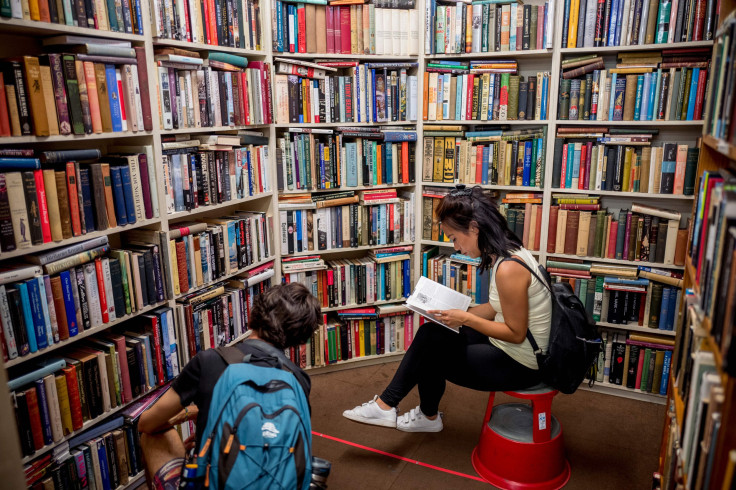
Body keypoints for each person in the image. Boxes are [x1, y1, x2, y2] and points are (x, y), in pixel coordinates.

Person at [343, 184, 553, 432]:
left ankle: (396, 408)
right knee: (431, 334)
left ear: (474, 228)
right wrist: (453, 316)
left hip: (522, 365)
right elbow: (497, 308)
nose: (455, 247)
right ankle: (412, 413)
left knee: (430, 354)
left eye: (454, 238)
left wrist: (465, 317)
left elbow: (515, 333)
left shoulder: (508, 268)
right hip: (512, 349)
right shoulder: (507, 252)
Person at [138, 282, 322, 489]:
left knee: (151, 435)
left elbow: (147, 423)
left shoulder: (208, 362)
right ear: (301, 336)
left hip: (215, 481)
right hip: (278, 482)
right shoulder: (298, 379)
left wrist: (191, 415)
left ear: (255, 311)